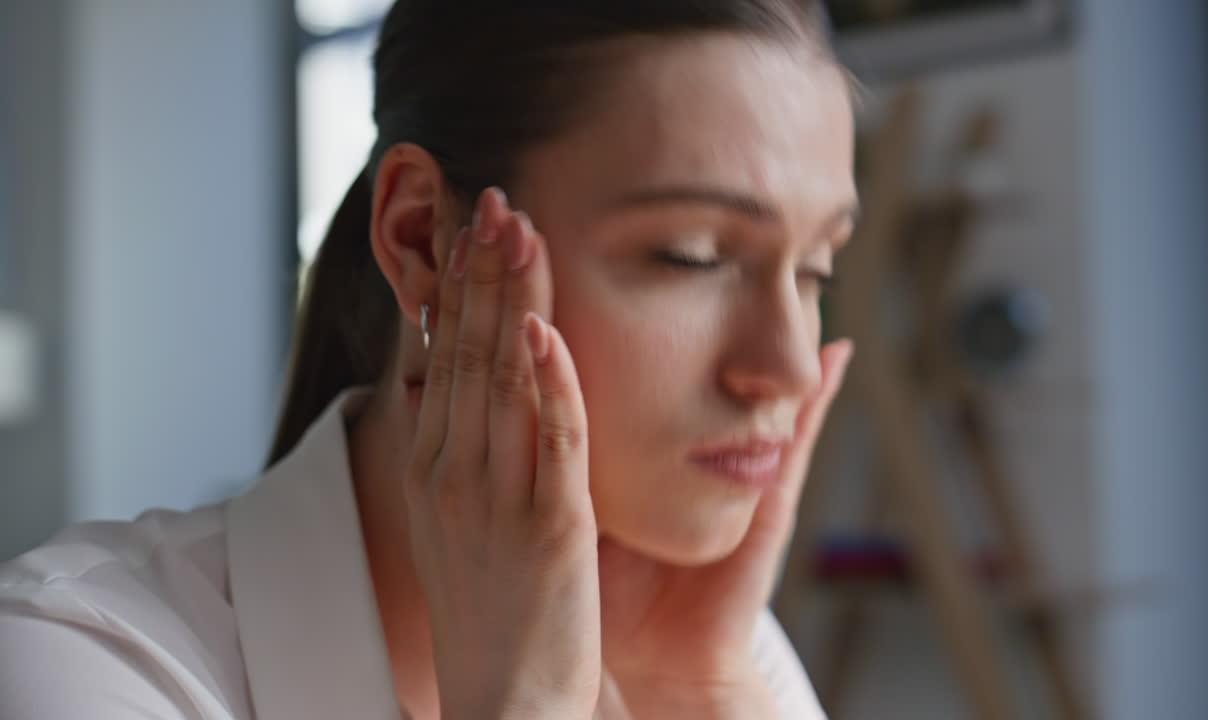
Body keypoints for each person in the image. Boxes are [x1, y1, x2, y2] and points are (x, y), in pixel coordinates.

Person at [0, 1, 859, 717]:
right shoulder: (82, 662)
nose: (786, 366)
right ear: (420, 237)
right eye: (691, 255)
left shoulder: (722, 655)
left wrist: (699, 692)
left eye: (818, 267)